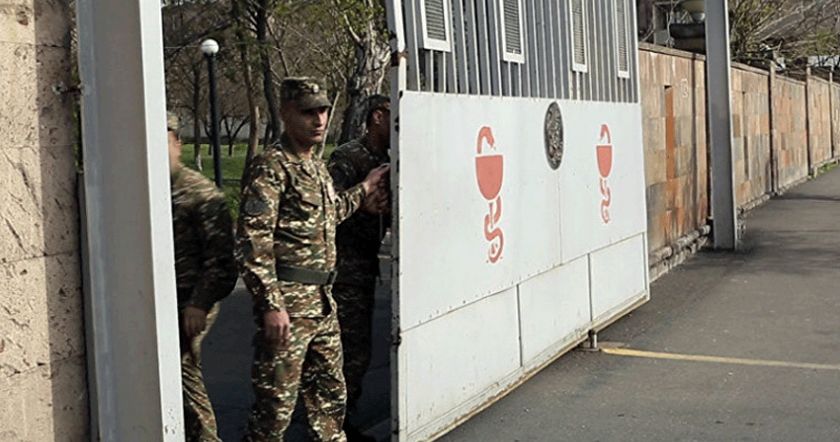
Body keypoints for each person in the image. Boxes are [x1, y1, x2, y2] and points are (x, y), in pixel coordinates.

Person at [236, 78, 389, 441]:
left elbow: (327, 213)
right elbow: (252, 241)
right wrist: (271, 306)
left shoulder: (316, 166)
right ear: (286, 113)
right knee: (275, 410)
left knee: (330, 401)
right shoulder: (272, 167)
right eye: (308, 112)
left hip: (323, 304)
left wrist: (363, 191)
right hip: (289, 306)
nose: (319, 120)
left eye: (322, 111)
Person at [167, 112, 238, 442]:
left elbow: (223, 262)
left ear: (177, 143)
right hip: (160, 301)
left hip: (191, 302)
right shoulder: (143, 189)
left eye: (163, 140)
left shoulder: (200, 193)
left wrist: (199, 303)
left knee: (182, 373)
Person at [326, 94, 391, 441]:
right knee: (345, 352)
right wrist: (363, 206)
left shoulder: (387, 159)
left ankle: (341, 423)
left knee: (358, 353)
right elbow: (327, 210)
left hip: (365, 266)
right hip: (344, 269)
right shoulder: (348, 157)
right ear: (378, 117)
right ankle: (333, 426)